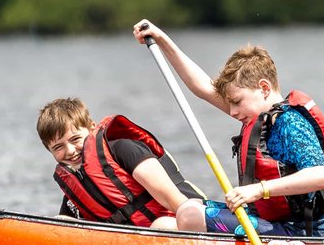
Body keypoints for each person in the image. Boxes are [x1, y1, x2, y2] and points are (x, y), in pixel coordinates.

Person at [131, 22, 324, 237]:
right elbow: (202, 87)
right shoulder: (258, 118)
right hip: (272, 222)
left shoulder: (291, 123)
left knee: (190, 214)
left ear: (264, 88)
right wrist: (162, 39)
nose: (231, 112)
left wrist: (259, 190)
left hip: (304, 233)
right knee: (165, 224)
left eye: (237, 102)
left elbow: (321, 175)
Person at [37, 97, 208, 231]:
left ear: (91, 128)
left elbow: (178, 203)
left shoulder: (124, 150)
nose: (70, 151)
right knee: (60, 222)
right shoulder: (75, 190)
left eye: (75, 139)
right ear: (49, 150)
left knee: (163, 225)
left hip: (193, 221)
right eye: (58, 147)